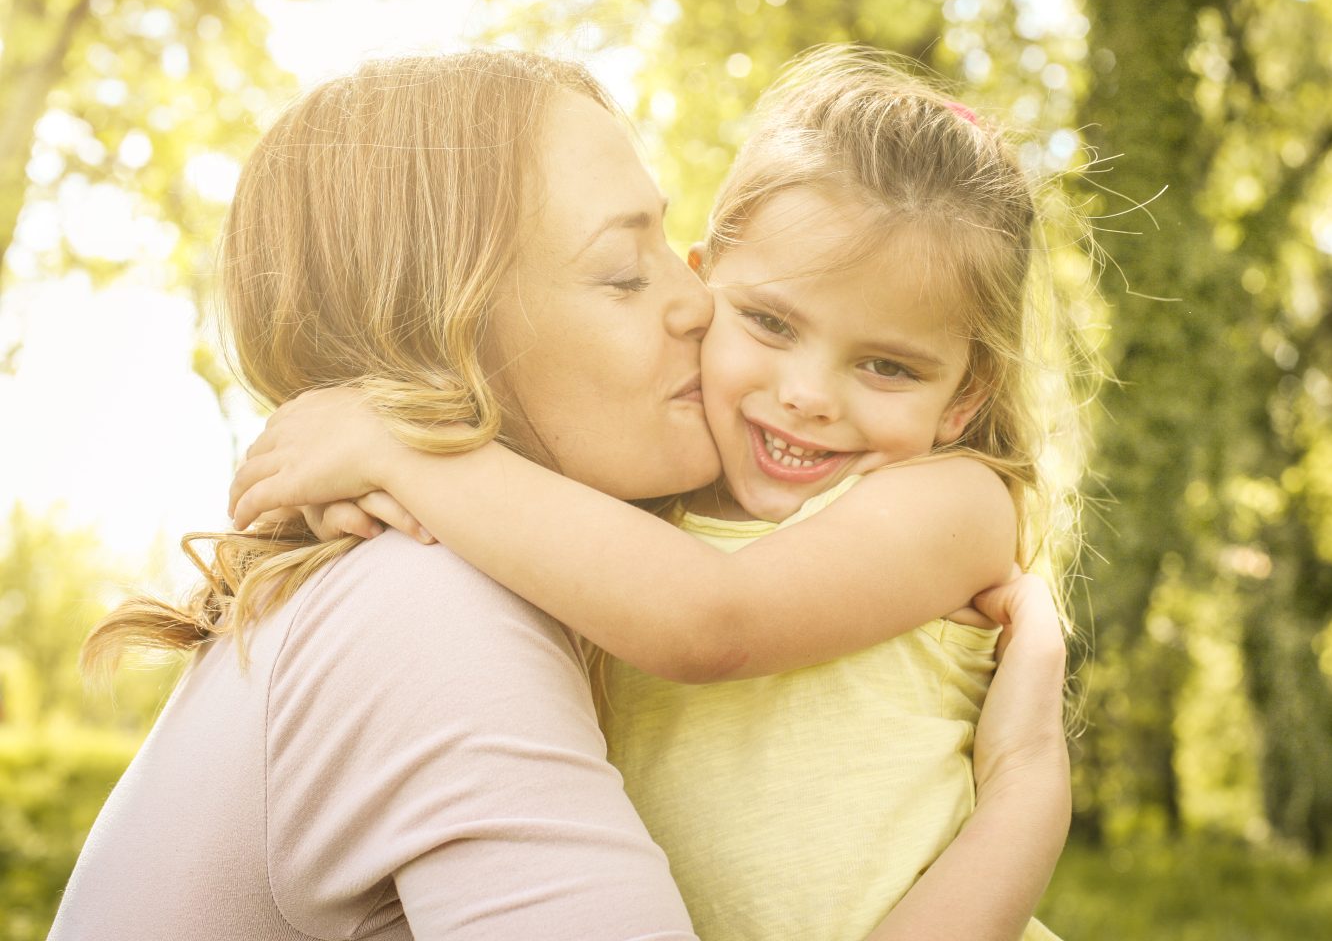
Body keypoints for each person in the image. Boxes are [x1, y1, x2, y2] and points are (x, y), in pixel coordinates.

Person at [52, 49, 1071, 941]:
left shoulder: (938, 500)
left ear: (962, 394)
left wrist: (406, 458)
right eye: (627, 275)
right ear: (450, 331)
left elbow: (709, 614)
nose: (691, 304)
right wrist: (1022, 787)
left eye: (887, 366)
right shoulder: (421, 606)